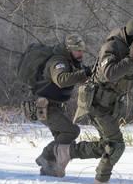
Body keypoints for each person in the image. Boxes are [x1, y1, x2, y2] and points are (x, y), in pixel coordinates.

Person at [54, 18, 133, 184]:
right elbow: (109, 73)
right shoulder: (111, 48)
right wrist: (131, 59)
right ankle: (101, 181)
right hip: (97, 103)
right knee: (116, 145)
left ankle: (66, 152)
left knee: (107, 145)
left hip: (109, 105)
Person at [35, 34, 91, 176]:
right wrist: (84, 73)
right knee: (72, 131)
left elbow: (82, 75)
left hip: (54, 107)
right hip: (45, 107)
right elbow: (61, 79)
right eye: (78, 50)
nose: (81, 53)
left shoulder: (71, 62)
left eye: (82, 50)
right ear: (69, 50)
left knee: (62, 139)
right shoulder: (58, 62)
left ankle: (48, 169)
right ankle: (46, 156)